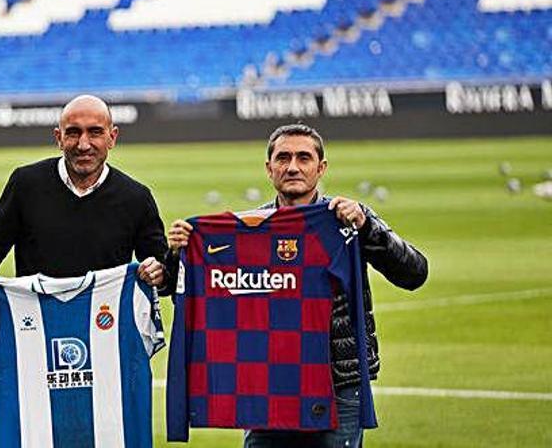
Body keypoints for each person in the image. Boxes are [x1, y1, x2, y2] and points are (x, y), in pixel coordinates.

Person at [166, 124, 428, 448]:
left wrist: (367, 228)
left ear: (321, 168)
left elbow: (415, 273)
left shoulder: (347, 220)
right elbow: (180, 286)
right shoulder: (248, 230)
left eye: (303, 158)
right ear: (269, 168)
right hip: (268, 385)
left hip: (337, 386)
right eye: (283, 158)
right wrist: (178, 252)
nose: (292, 167)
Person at [0, 94, 168, 299]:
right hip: (38, 323)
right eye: (73, 133)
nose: (83, 144)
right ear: (59, 138)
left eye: (95, 132)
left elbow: (162, 272)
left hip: (104, 324)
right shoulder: (26, 183)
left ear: (112, 137)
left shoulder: (136, 197)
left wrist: (159, 273)